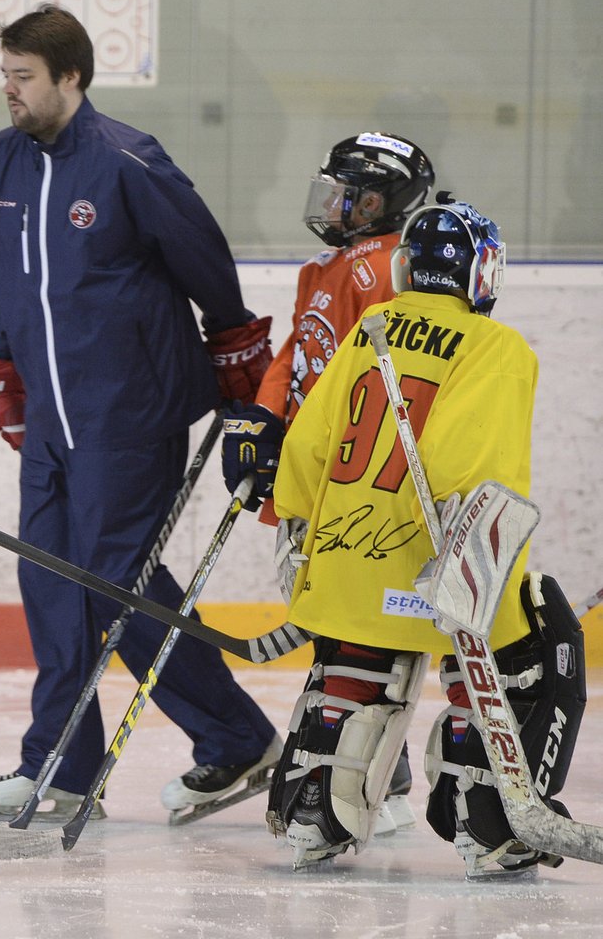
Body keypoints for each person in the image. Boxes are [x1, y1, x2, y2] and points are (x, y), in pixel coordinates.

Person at [0, 4, 281, 824]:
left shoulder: (128, 162)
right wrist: (5, 363)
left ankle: (235, 737)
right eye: (5, 75)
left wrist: (239, 356)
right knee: (50, 581)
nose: (10, 91)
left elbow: (205, 261)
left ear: (70, 77)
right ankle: (64, 767)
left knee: (115, 582)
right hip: (52, 422)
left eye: (23, 77)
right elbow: (10, 282)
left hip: (130, 413)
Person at [262, 198, 586, 877]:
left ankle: (317, 808)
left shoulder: (371, 329)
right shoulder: (497, 347)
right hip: (435, 573)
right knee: (543, 637)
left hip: (350, 568)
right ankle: (490, 820)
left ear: (409, 268)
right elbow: (474, 474)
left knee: (356, 651)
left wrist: (299, 535)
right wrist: (467, 580)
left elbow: (307, 445)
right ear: (481, 274)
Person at [221, 132, 434, 834]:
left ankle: (379, 767)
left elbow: (370, 388)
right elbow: (295, 350)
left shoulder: (384, 272)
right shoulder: (327, 266)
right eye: (334, 192)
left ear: (388, 205)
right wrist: (260, 417)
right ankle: (371, 762)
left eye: (355, 197)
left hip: (346, 482)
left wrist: (307, 448)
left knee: (354, 622)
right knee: (326, 612)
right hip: (312, 471)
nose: (337, 207)